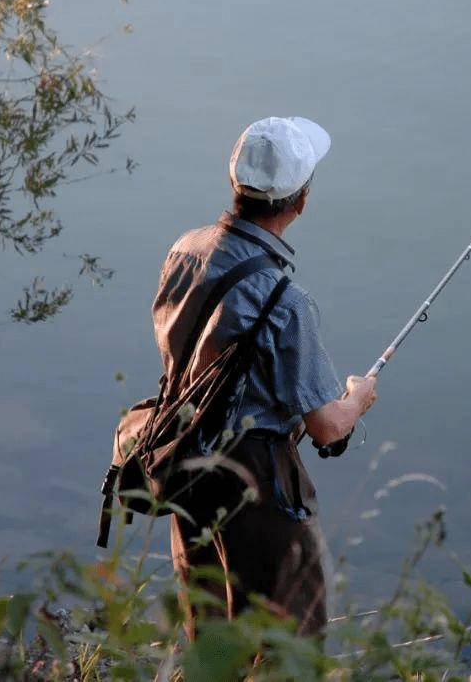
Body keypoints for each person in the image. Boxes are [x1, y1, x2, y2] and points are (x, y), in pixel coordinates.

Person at [152, 116, 377, 638]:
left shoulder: (183, 251)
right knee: (289, 643)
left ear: (237, 185)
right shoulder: (287, 301)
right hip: (255, 479)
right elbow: (325, 427)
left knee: (207, 634)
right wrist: (357, 398)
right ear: (299, 201)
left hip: (184, 457)